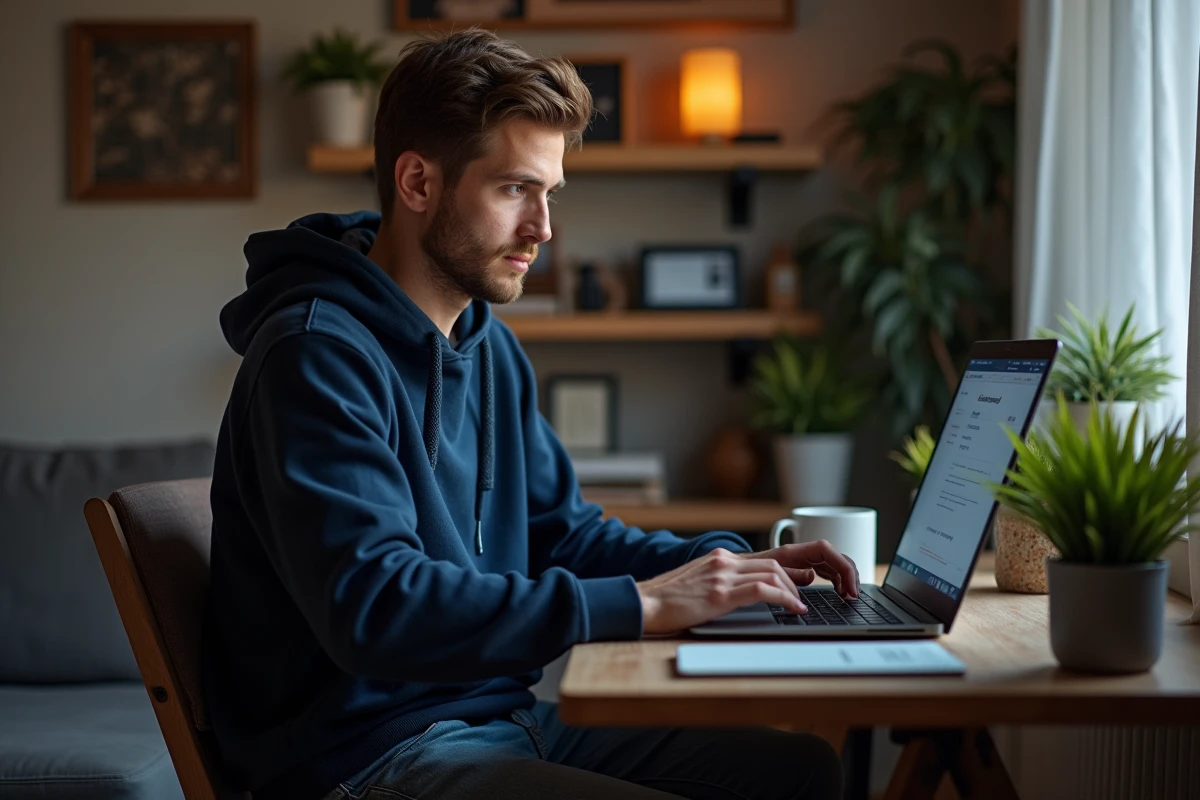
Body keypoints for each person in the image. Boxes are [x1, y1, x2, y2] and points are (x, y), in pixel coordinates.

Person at [204, 28, 859, 800]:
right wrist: (645, 604)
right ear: (417, 183)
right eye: (515, 189)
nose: (543, 228)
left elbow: (565, 535)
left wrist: (724, 566)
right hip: (365, 756)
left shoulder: (489, 349)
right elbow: (376, 607)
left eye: (549, 193)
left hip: (499, 717)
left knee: (800, 772)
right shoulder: (314, 354)